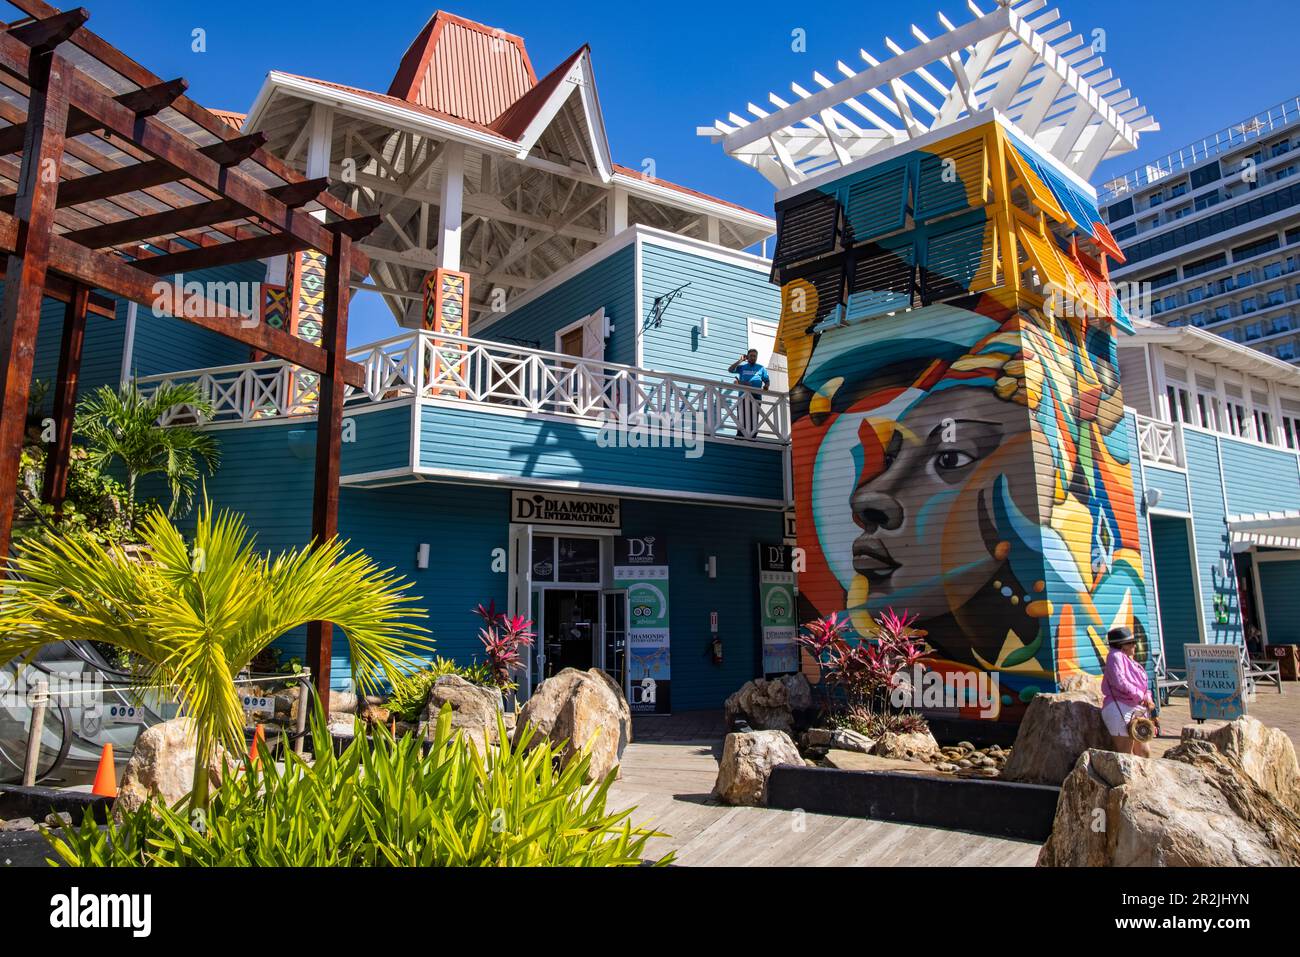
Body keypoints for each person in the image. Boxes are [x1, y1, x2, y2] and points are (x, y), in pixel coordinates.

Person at [1101, 626, 1155, 756]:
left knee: (1144, 751)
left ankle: (1142, 776)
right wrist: (1140, 695)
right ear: (1122, 645)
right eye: (1131, 642)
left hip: (1136, 708)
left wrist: (1148, 697)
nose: (1135, 645)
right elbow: (1119, 681)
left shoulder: (1130, 661)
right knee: (1126, 753)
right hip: (1120, 708)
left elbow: (1143, 685)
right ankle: (1127, 777)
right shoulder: (1115, 656)